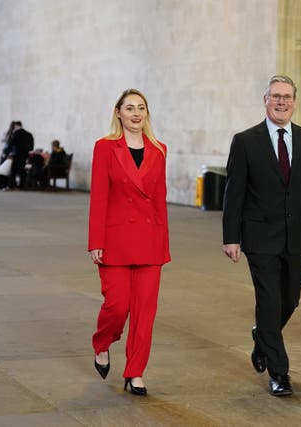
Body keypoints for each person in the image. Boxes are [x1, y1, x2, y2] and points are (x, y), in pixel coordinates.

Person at [222, 75, 301, 397]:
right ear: (265, 100)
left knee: (292, 296)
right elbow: (234, 194)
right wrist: (231, 237)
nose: (281, 102)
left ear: (295, 102)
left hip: (297, 236)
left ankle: (263, 338)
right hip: (259, 237)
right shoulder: (245, 141)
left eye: (287, 97)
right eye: (275, 96)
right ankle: (279, 372)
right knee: (269, 301)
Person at [88, 88, 170, 396]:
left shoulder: (159, 149)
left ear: (147, 114)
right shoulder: (105, 147)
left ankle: (135, 372)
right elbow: (99, 197)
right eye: (130, 108)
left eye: (141, 108)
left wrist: (163, 243)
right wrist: (96, 240)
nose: (136, 113)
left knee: (145, 312)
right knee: (117, 306)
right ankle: (102, 342)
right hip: (115, 240)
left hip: (150, 241)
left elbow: (160, 200)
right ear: (118, 113)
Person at [8, 121, 34, 189]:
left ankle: (12, 185)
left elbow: (10, 143)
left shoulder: (16, 133)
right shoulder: (28, 134)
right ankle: (22, 186)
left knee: (13, 170)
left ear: (16, 126)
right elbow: (31, 147)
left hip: (17, 154)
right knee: (22, 170)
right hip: (25, 155)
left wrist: (7, 152)